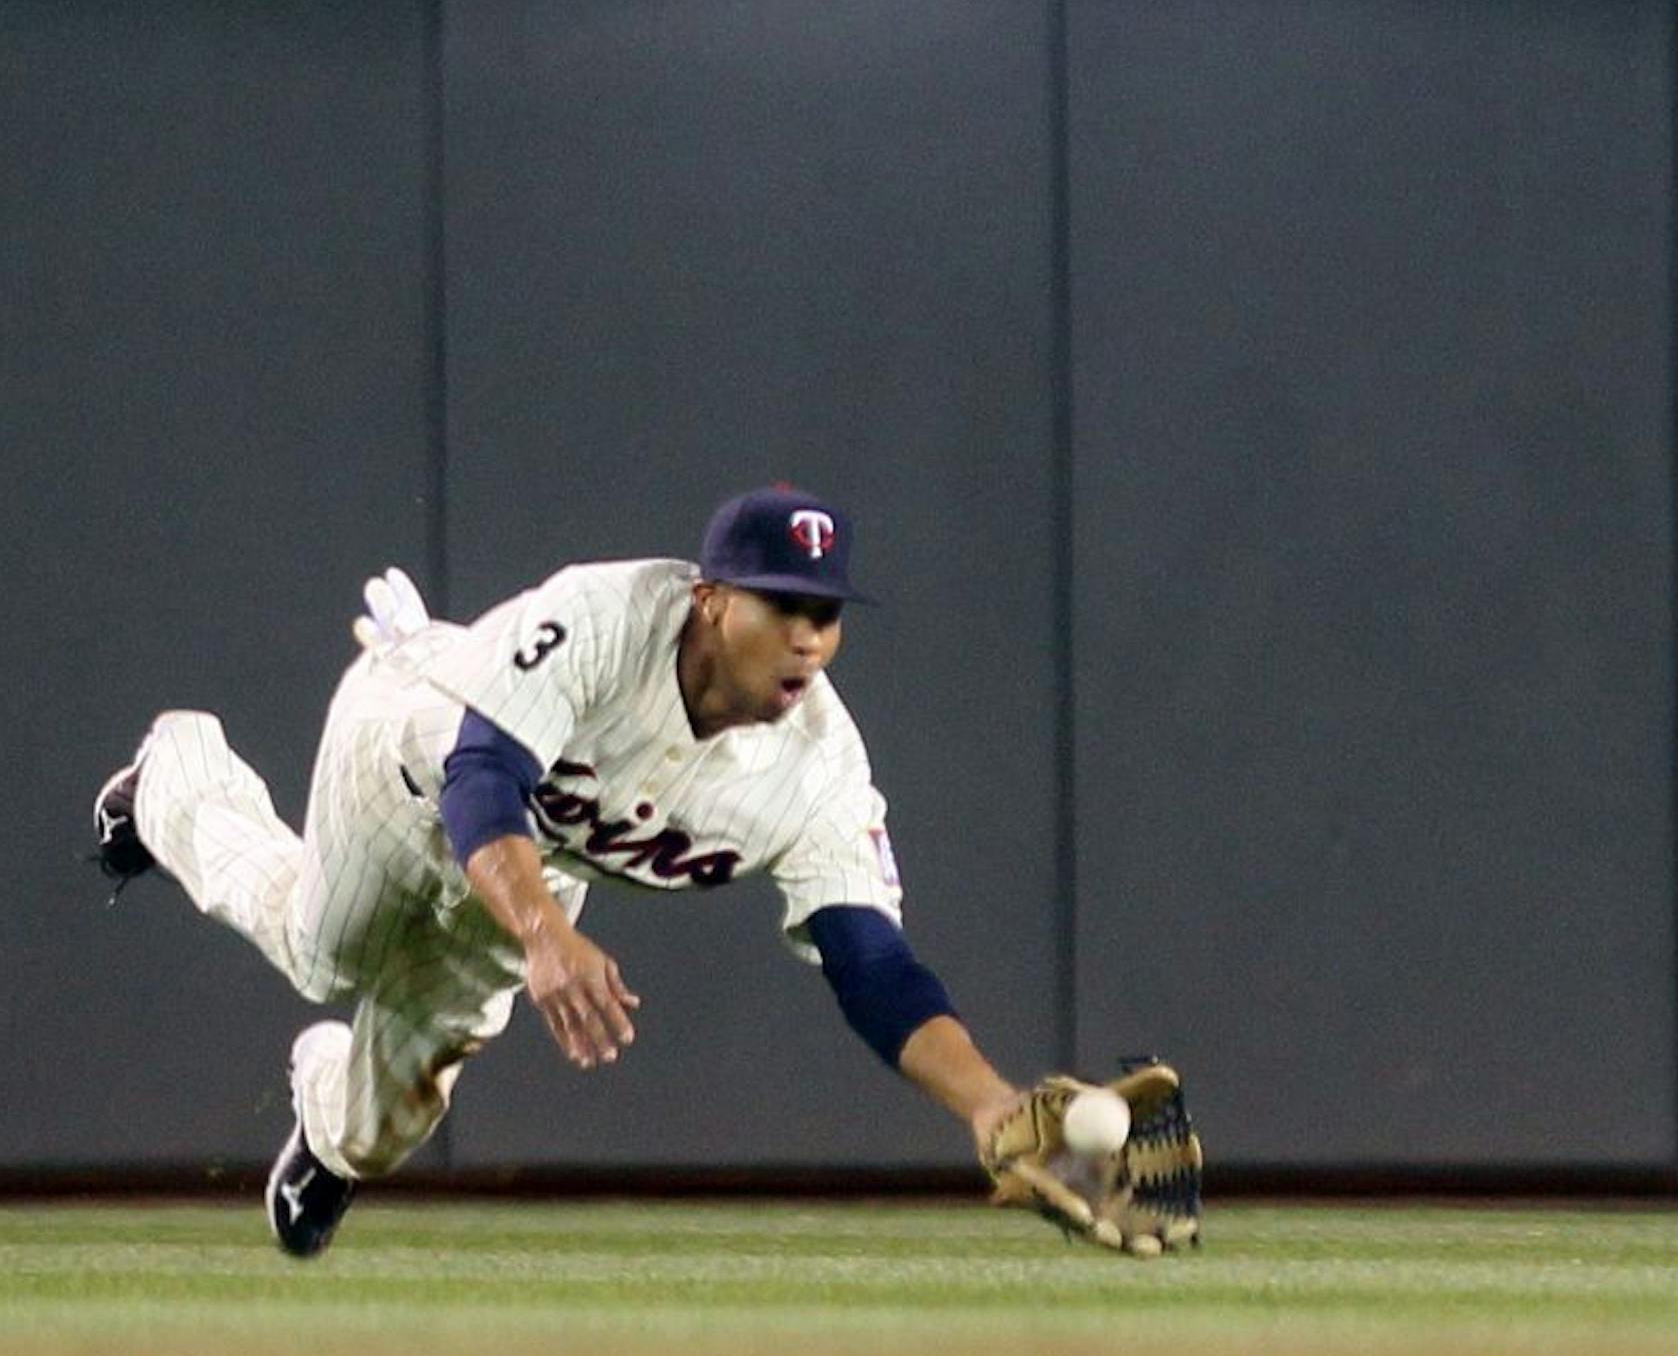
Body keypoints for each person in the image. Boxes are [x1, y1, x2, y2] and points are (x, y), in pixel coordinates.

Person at [93, 486, 1027, 1257]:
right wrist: (543, 933)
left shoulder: (821, 772)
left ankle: (328, 1129)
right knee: (322, 955)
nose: (808, 638)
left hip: (532, 863)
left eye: (825, 614)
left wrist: (992, 1107)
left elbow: (873, 965)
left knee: (387, 1129)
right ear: (710, 599)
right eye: (781, 605)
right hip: (409, 763)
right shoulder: (605, 616)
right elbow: (481, 774)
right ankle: (176, 775)